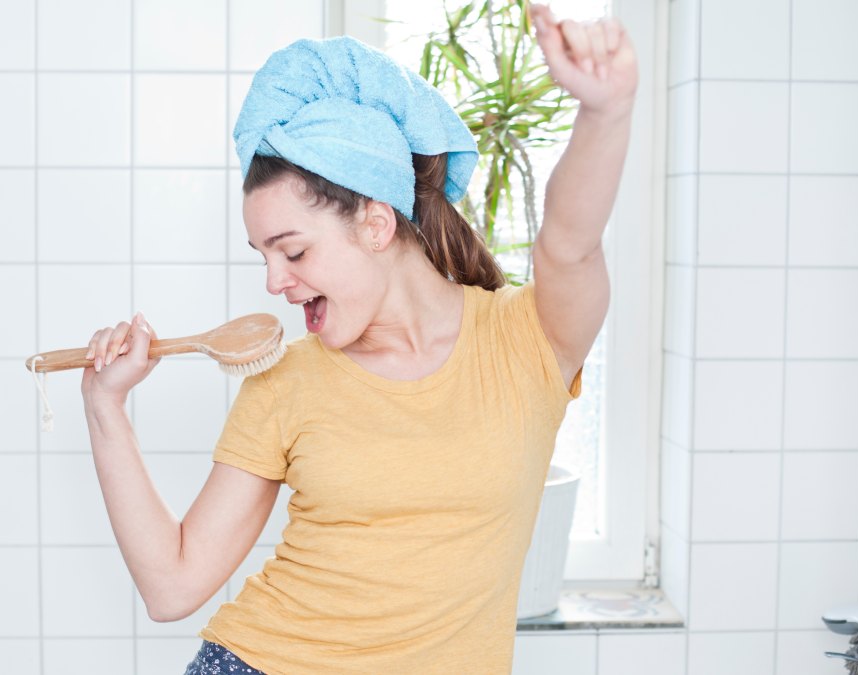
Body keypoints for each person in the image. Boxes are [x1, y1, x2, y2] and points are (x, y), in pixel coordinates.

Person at [79, 5, 637, 673]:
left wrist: (604, 113)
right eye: (262, 256)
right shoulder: (285, 382)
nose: (273, 283)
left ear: (375, 223)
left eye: (292, 251)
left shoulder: (526, 341)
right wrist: (105, 407)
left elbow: (570, 243)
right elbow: (172, 586)